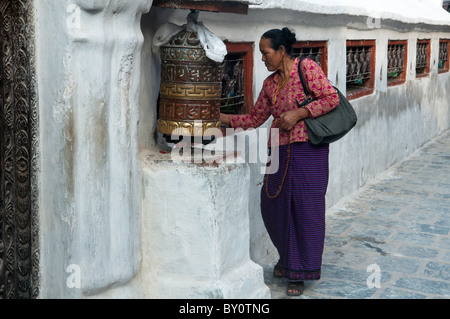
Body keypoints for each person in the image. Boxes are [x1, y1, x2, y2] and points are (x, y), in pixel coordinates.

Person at [220, 28, 339, 296]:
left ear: (282, 51)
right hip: (278, 151)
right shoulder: (270, 84)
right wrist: (220, 117)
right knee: (273, 204)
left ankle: (297, 270)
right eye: (260, 54)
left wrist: (299, 113)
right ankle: (287, 256)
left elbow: (330, 98)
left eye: (266, 52)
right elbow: (254, 118)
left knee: (305, 210)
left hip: (309, 150)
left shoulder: (306, 68)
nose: (263, 58)